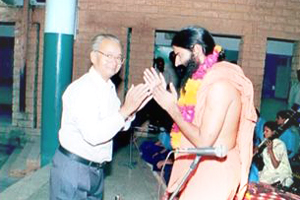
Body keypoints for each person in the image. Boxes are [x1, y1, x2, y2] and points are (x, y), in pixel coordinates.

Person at [144, 26, 257, 200]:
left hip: (216, 169)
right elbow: (198, 123)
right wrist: (177, 106)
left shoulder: (220, 86)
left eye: (179, 55)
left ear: (196, 50)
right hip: (205, 163)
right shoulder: (208, 82)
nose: (176, 63)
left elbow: (204, 140)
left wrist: (172, 109)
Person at [50, 33, 151, 200]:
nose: (115, 61)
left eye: (119, 57)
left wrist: (133, 110)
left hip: (96, 170)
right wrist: (125, 110)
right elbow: (94, 136)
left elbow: (117, 124)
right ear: (93, 56)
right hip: (73, 170)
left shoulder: (108, 88)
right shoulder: (83, 89)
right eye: (109, 55)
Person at [259, 121, 294, 187]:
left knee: (263, 182)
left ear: (273, 132)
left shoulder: (280, 144)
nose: (264, 133)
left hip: (278, 173)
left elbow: (276, 165)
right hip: (269, 171)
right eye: (264, 131)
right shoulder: (266, 143)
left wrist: (270, 150)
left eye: (267, 131)